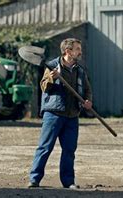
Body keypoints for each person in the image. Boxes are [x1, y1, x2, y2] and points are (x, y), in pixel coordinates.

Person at [28, 38, 93, 189]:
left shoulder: (80, 70)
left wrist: (88, 101)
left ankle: (68, 182)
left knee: (69, 150)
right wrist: (52, 77)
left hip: (72, 115)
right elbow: (44, 87)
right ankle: (34, 179)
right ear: (68, 51)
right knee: (45, 148)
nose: (80, 52)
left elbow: (88, 90)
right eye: (77, 49)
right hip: (53, 114)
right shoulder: (51, 66)